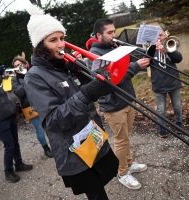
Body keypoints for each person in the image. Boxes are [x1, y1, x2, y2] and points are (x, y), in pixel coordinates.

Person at [24, 4, 119, 199]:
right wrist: (86, 93)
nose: (61, 44)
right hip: (75, 150)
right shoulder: (34, 77)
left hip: (92, 136)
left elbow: (86, 95)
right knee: (95, 192)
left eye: (62, 38)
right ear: (40, 46)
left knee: (101, 185)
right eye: (53, 40)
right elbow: (51, 121)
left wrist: (85, 75)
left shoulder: (62, 66)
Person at [87, 18, 150, 190]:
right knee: (121, 140)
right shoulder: (96, 56)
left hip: (126, 99)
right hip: (113, 106)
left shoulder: (113, 47)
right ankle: (122, 173)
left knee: (126, 136)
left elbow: (125, 68)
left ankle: (129, 163)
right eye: (110, 32)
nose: (114, 35)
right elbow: (112, 79)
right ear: (99, 35)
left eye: (114, 31)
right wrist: (135, 66)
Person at [11, 55, 53, 158]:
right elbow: (19, 92)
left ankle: (55, 144)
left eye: (20, 64)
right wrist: (27, 78)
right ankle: (46, 149)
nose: (18, 67)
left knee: (50, 126)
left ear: (25, 64)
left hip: (42, 102)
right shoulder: (15, 80)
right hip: (28, 106)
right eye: (15, 66)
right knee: (39, 129)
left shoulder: (35, 71)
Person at [148, 28, 183, 138]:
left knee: (177, 106)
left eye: (161, 35)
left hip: (173, 82)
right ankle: (162, 128)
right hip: (159, 84)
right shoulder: (150, 49)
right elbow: (145, 61)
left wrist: (168, 51)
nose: (159, 37)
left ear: (165, 36)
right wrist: (153, 48)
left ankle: (179, 125)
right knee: (161, 109)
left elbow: (179, 59)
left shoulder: (170, 45)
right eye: (157, 36)